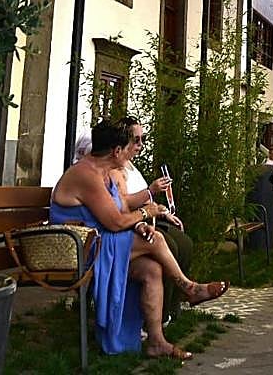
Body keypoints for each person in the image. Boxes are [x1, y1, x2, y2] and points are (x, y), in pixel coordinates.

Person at [52, 120, 229, 359]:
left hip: (98, 240)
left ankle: (157, 342)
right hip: (79, 247)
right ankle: (189, 288)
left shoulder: (104, 173)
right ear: (116, 151)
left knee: (152, 270)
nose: (133, 151)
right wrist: (147, 214)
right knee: (154, 240)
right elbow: (114, 221)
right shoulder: (87, 174)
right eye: (129, 146)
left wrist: (140, 220)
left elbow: (121, 207)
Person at [109, 115, 195, 320]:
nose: (140, 145)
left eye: (143, 139)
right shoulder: (113, 168)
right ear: (122, 142)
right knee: (170, 246)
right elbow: (122, 204)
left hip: (145, 218)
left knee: (185, 243)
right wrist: (151, 192)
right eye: (136, 140)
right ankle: (161, 312)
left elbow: (138, 200)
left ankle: (173, 307)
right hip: (133, 222)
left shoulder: (130, 166)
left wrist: (162, 210)